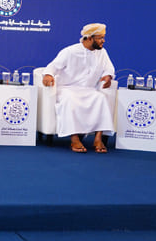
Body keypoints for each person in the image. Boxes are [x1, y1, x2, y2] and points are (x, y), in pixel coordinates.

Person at [42, 23, 115, 153]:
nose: (103, 41)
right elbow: (53, 66)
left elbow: (109, 68)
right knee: (69, 100)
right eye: (100, 38)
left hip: (89, 90)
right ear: (90, 38)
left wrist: (108, 76)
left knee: (101, 99)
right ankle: (74, 139)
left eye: (103, 37)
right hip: (66, 88)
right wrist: (48, 75)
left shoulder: (102, 53)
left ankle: (98, 139)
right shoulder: (70, 51)